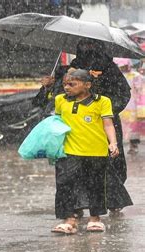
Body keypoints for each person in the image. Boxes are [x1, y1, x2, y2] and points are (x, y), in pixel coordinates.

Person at [34, 39, 133, 214]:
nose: (88, 49)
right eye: (84, 45)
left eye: (91, 45)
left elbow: (122, 94)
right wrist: (48, 86)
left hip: (104, 124)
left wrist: (103, 110)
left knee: (106, 166)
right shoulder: (69, 70)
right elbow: (50, 100)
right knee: (72, 167)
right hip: (74, 127)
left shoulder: (109, 70)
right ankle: (75, 205)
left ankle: (109, 201)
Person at [51, 69, 119, 234]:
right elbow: (57, 122)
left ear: (87, 85)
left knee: (95, 185)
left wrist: (113, 143)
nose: (67, 87)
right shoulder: (60, 100)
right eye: (65, 84)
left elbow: (108, 124)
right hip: (68, 151)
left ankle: (95, 219)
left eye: (72, 84)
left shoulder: (102, 101)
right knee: (65, 184)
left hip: (95, 151)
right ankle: (69, 220)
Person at [114, 58, 144, 154]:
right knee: (123, 126)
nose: (122, 68)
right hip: (122, 105)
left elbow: (141, 90)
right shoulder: (117, 77)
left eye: (123, 66)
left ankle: (133, 145)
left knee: (134, 126)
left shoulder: (136, 76)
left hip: (133, 105)